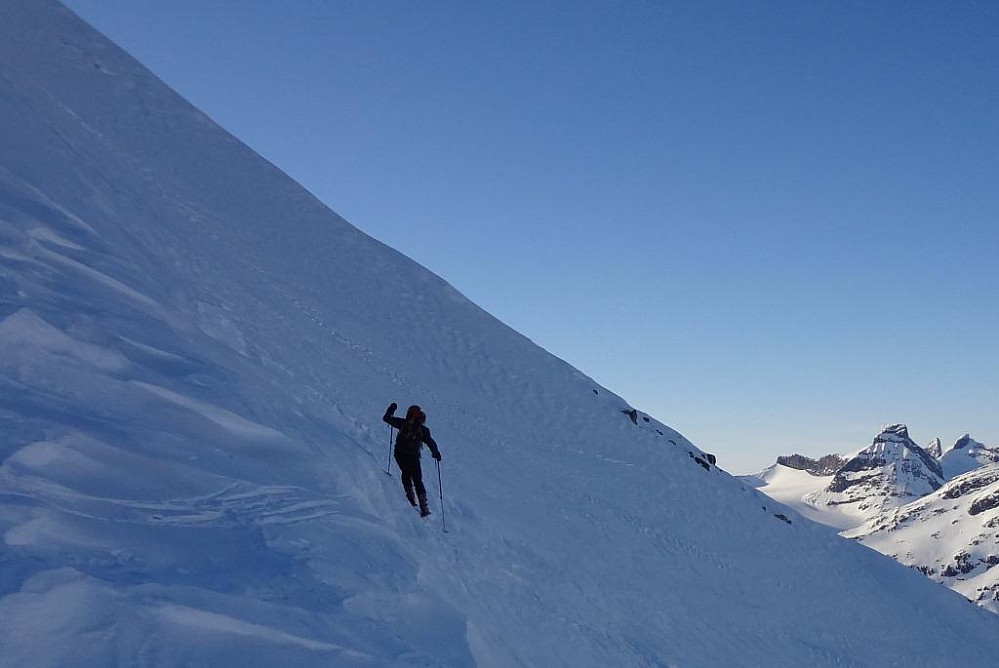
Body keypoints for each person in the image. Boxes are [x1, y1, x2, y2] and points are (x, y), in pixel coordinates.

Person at [383, 402, 442, 517]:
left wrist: (392, 409)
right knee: (417, 480)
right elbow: (430, 442)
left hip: (399, 454)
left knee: (405, 474)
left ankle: (410, 500)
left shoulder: (402, 423)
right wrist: (436, 453)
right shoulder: (423, 430)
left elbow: (386, 418)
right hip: (413, 457)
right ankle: (424, 508)